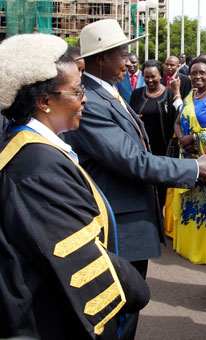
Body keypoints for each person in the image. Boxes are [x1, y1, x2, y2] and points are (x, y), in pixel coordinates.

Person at [63, 19, 206, 340]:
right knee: (118, 314)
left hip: (130, 216)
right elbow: (131, 160)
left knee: (126, 313)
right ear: (101, 58)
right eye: (123, 54)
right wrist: (194, 169)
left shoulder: (108, 91)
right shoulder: (91, 100)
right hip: (118, 224)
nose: (130, 61)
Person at [0, 33, 149, 339]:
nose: (85, 99)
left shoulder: (25, 144)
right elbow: (79, 260)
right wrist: (132, 286)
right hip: (48, 318)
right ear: (44, 102)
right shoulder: (38, 167)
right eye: (77, 90)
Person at [165, 57, 206, 264]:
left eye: (202, 73)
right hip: (187, 159)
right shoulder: (190, 94)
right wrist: (181, 139)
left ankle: (204, 253)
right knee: (188, 204)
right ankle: (187, 247)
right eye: (194, 73)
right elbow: (177, 121)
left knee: (205, 209)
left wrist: (195, 139)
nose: (197, 77)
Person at [129, 59, 177, 207]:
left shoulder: (169, 94)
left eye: (153, 76)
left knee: (163, 188)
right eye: (146, 76)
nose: (150, 80)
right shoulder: (137, 94)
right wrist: (133, 119)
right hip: (142, 150)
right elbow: (128, 116)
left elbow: (179, 119)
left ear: (161, 75)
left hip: (164, 150)